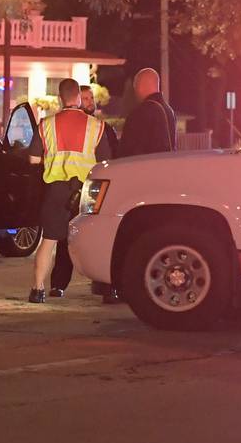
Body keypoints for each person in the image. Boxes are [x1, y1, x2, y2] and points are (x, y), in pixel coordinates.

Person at [28, 78, 109, 304]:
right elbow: (106, 163)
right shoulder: (96, 126)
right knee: (95, 239)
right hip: (85, 192)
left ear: (59, 98)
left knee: (49, 240)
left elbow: (33, 159)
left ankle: (37, 290)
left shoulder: (46, 125)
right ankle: (106, 287)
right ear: (77, 98)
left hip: (55, 189)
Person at [47, 83, 119, 297]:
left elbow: (112, 159)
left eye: (90, 99)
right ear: (77, 99)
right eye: (85, 98)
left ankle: (106, 285)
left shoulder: (101, 127)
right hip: (73, 188)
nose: (88, 102)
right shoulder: (76, 126)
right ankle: (58, 283)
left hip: (95, 190)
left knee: (99, 237)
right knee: (64, 239)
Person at [119, 68, 176, 157]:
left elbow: (127, 149)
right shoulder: (169, 111)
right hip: (166, 166)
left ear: (140, 86)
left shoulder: (140, 113)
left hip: (144, 167)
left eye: (135, 87)